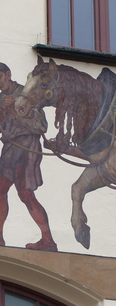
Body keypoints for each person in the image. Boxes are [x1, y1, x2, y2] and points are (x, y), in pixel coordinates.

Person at [0, 62, 57, 251]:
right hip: (9, 148)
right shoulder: (1, 98)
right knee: (14, 193)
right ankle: (45, 239)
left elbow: (41, 126)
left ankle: (47, 240)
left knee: (21, 193)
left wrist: (13, 109)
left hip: (25, 148)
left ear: (7, 74)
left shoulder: (26, 93)